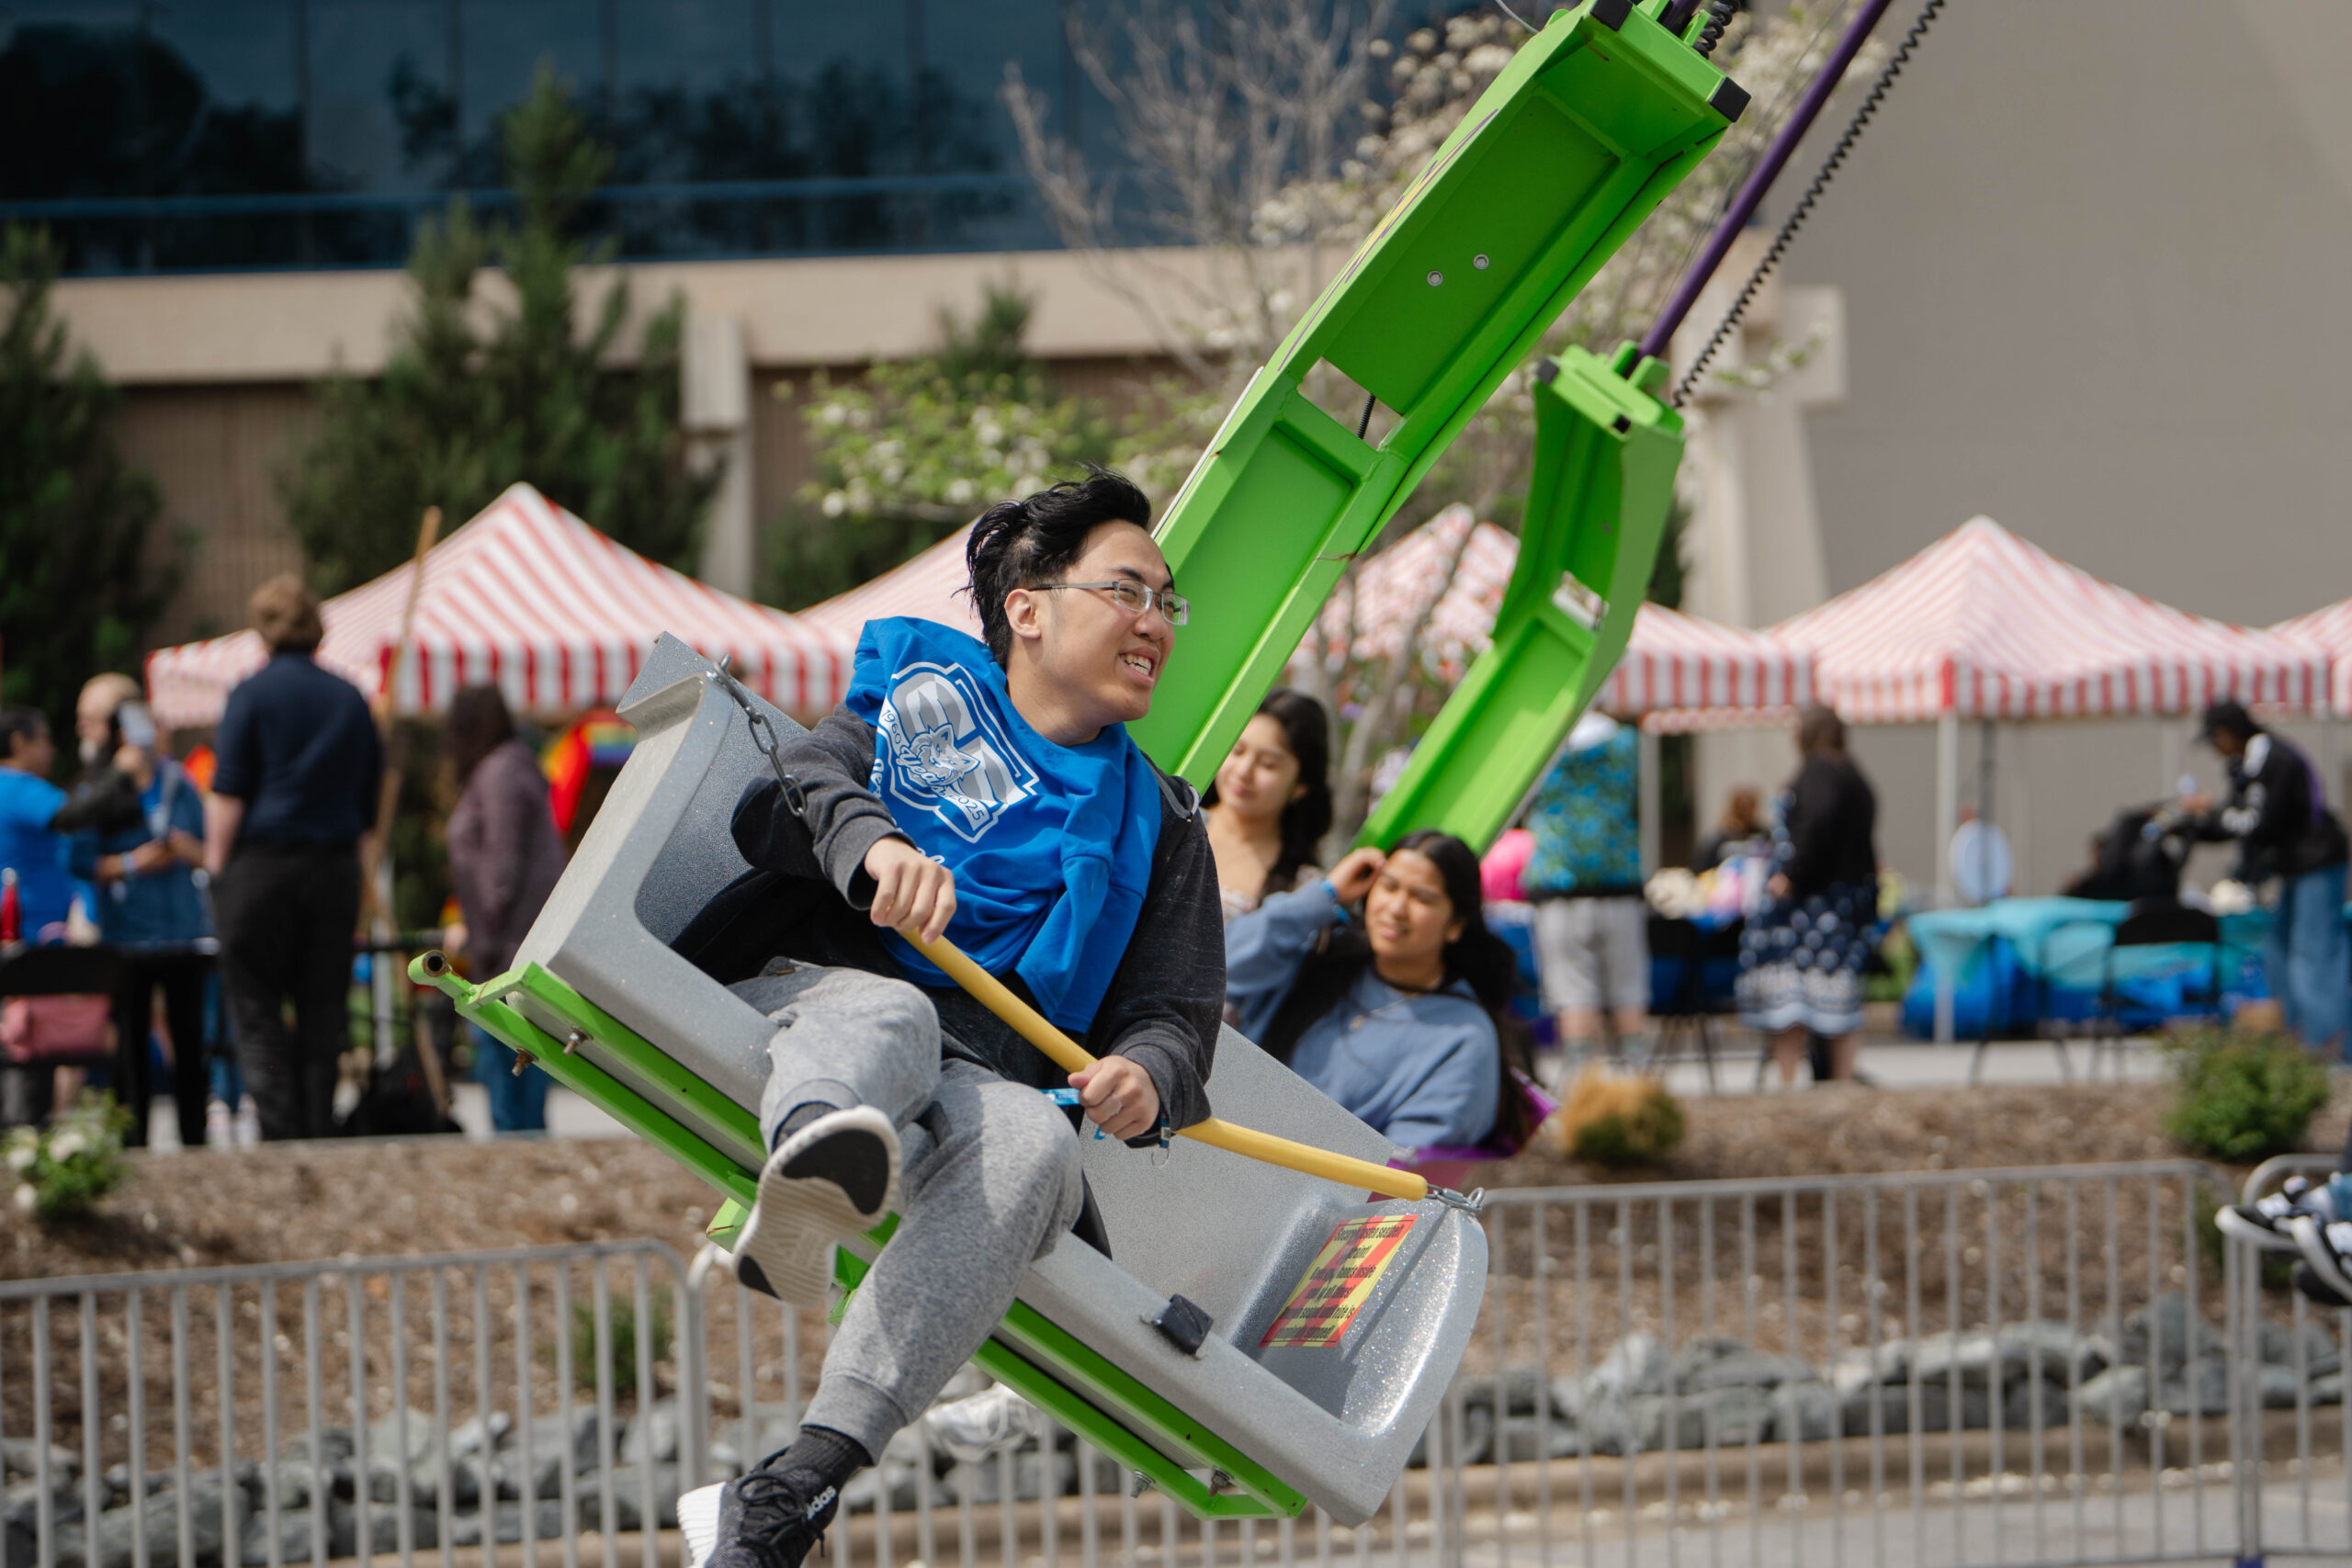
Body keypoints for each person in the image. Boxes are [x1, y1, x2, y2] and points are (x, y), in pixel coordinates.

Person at [686, 469, 1222, 1568]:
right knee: (889, 1013)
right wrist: (873, 845)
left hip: (979, 1070)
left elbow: (1173, 1012)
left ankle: (791, 1492)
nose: (1154, 623)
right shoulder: (914, 691)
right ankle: (812, 1162)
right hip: (816, 991)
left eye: (1167, 602)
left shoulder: (1161, 821)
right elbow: (790, 791)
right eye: (1129, 591)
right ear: (1028, 606)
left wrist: (1147, 1074)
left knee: (1035, 1141)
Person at [206, 575, 384, 1141]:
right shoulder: (351, 697)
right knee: (323, 1008)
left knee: (256, 1008)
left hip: (261, 868)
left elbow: (228, 792)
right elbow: (369, 804)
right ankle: (317, 1130)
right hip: (333, 868)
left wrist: (216, 870)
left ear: (263, 628)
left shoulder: (251, 694)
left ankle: (281, 1138)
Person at [1225, 830, 1531, 1153]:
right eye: (1389, 886)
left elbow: (1408, 1170)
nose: (1397, 908)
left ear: (1456, 925)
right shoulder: (1318, 955)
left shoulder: (1463, 1038)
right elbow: (1219, 968)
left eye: (1422, 898)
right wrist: (1325, 893)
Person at [55, 678, 212, 1149]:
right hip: (127, 937)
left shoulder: (178, 782)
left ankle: (196, 1140)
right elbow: (76, 852)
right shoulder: (99, 787)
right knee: (130, 1050)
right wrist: (132, 860)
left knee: (189, 1044)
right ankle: (134, 1143)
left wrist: (186, 850)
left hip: (182, 932)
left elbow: (212, 852)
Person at [2184, 700, 2349, 1051]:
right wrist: (2200, 823)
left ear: (2227, 734)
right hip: (2297, 867)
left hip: (2317, 864)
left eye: (2215, 740)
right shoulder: (2250, 762)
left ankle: (2330, 1047)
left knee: (2313, 955)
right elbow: (2241, 822)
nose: (2215, 749)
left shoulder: (2271, 758)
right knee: (2279, 951)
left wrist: (2211, 815)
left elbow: (2256, 823)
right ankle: (2298, 1039)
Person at [442, 685, 569, 1134]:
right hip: (511, 943)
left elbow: (502, 866)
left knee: (513, 1099)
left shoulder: (501, 773)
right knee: (515, 1095)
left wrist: (484, 937)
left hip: (508, 952)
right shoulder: (512, 767)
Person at [1737, 705, 1879, 1084]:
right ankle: (1842, 1080)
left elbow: (1818, 821)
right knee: (1842, 1000)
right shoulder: (1854, 774)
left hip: (1813, 909)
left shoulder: (1817, 772)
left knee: (1793, 999)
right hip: (1851, 903)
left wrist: (1792, 875)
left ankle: (1788, 1082)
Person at [1522, 711, 1648, 1069]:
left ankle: (1582, 1088)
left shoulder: (1543, 745)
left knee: (1573, 994)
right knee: (1628, 990)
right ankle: (1636, 1085)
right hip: (1619, 884)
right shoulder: (1626, 742)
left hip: (1558, 888)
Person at [1204, 688, 1332, 923]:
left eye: (1268, 764)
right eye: (1238, 750)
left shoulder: (1303, 887)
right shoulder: (1172, 818)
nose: (1244, 771)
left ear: (1301, 785)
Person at [0, 708, 70, 944]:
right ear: (19, 742)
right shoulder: (21, 788)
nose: (52, 750)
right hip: (34, 932)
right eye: (44, 740)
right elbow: (76, 816)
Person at [1697, 786, 1767, 869]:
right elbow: (1704, 865)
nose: (1746, 813)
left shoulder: (1762, 835)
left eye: (1750, 808)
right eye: (1742, 808)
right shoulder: (1719, 838)